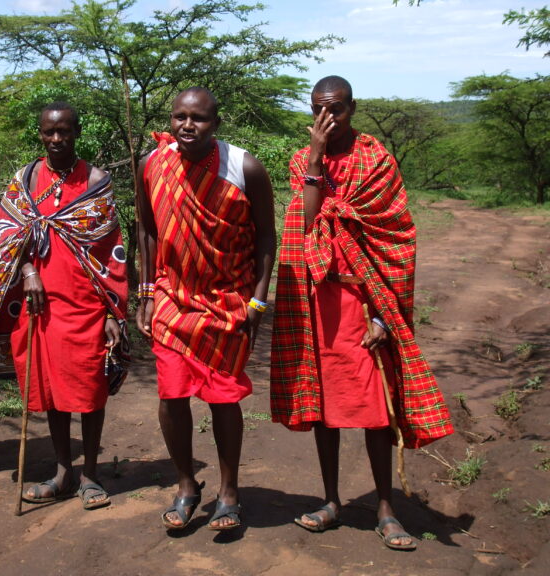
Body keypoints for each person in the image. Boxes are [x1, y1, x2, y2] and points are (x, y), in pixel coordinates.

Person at [270, 75, 453, 550]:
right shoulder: (302, 160)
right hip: (317, 300)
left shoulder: (376, 161)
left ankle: (386, 509)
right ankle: (331, 501)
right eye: (317, 110)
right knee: (326, 407)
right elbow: (310, 221)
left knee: (374, 409)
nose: (326, 119)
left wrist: (380, 318)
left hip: (366, 300)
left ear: (354, 107)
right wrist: (314, 157)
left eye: (335, 110)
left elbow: (396, 239)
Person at [0, 102, 129, 510]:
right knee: (52, 390)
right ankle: (63, 472)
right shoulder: (25, 179)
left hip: (86, 305)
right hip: (39, 305)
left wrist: (113, 312)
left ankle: (91, 475)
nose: (56, 139)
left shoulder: (97, 181)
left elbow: (112, 250)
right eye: (49, 132)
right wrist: (27, 270)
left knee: (89, 389)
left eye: (64, 131)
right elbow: (5, 232)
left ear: (77, 132)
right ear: (40, 133)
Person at [136, 87, 276, 531]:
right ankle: (185, 485)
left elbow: (266, 237)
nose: (186, 126)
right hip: (173, 299)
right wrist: (145, 292)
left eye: (198, 118)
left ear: (216, 123)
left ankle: (229, 491)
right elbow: (147, 230)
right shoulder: (152, 165)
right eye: (179, 117)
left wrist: (257, 299)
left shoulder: (244, 167)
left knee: (223, 399)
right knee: (171, 396)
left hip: (227, 303)